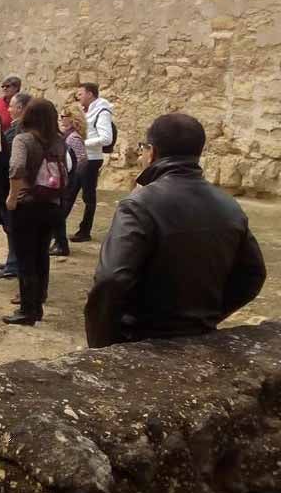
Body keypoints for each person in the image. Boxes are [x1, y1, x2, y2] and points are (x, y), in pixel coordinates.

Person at [86, 113, 266, 347]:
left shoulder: (139, 205)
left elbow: (110, 279)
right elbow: (252, 274)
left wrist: (104, 343)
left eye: (143, 149)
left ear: (152, 151)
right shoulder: (229, 205)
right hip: (199, 335)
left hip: (142, 337)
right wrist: (207, 316)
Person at [3, 98, 67, 326]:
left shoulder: (23, 140)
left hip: (27, 204)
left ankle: (27, 309)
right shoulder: (59, 142)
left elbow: (17, 167)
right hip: (51, 203)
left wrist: (12, 196)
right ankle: (38, 303)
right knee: (41, 255)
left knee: (25, 258)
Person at [0, 92, 31, 281]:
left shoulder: (20, 131)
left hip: (14, 186)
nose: (8, 109)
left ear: (20, 109)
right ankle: (12, 260)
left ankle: (13, 264)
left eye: (12, 106)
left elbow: (12, 161)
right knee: (11, 226)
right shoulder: (20, 129)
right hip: (13, 185)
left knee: (13, 226)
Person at [71, 82, 115, 242]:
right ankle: (59, 232)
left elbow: (106, 138)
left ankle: (85, 230)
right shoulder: (86, 110)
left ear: (90, 94)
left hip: (91, 159)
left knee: (88, 196)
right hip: (81, 158)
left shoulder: (102, 112)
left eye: (81, 94)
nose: (78, 97)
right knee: (70, 193)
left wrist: (82, 143)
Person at [50, 106, 89, 256]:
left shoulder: (73, 138)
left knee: (60, 213)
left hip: (71, 179)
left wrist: (71, 177)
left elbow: (82, 159)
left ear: (72, 118)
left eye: (63, 116)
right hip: (69, 178)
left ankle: (60, 244)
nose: (61, 119)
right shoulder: (68, 135)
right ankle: (58, 242)